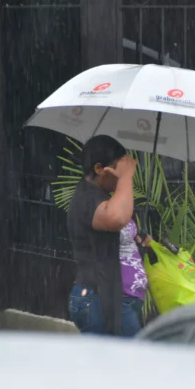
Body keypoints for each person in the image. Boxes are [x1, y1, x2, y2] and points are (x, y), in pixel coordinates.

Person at [67, 135, 150, 337]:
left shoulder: (104, 197)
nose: (121, 175)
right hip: (99, 299)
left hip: (116, 299)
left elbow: (118, 233)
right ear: (98, 169)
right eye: (116, 169)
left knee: (112, 365)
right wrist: (126, 177)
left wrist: (140, 241)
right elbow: (116, 218)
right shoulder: (86, 198)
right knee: (136, 362)